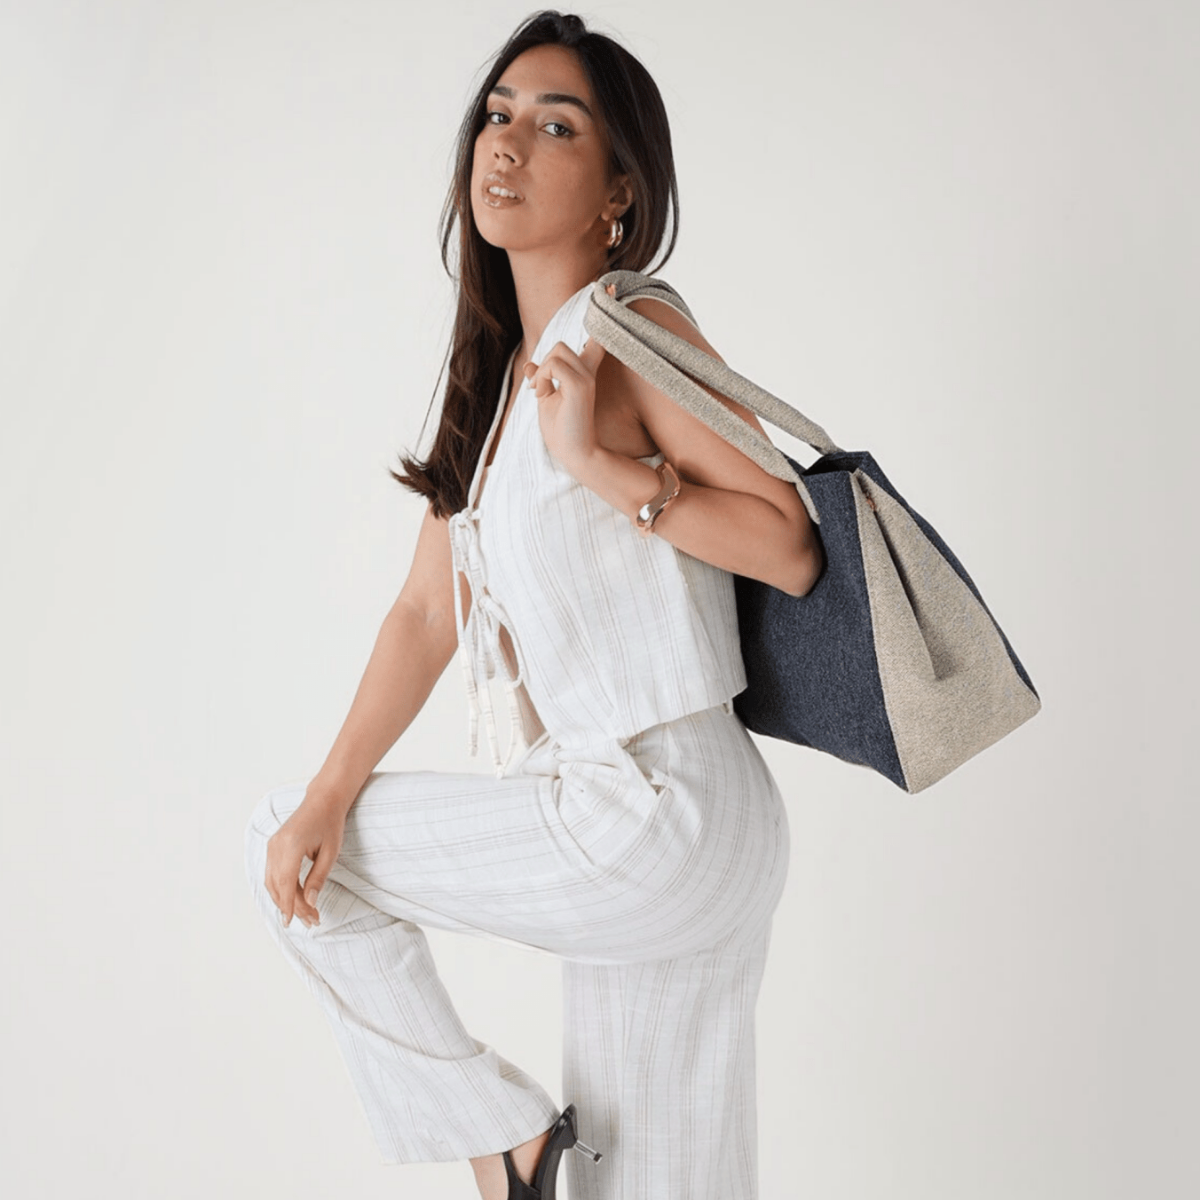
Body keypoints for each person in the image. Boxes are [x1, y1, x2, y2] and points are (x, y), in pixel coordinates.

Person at [243, 10, 823, 1200]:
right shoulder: (497, 380)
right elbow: (423, 612)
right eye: (497, 116)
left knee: (297, 854)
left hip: (658, 804)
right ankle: (517, 1147)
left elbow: (788, 543)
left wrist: (607, 468)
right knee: (657, 1181)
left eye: (556, 124)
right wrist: (331, 785)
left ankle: (503, 1140)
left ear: (619, 190)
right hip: (664, 825)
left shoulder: (630, 324)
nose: (508, 143)